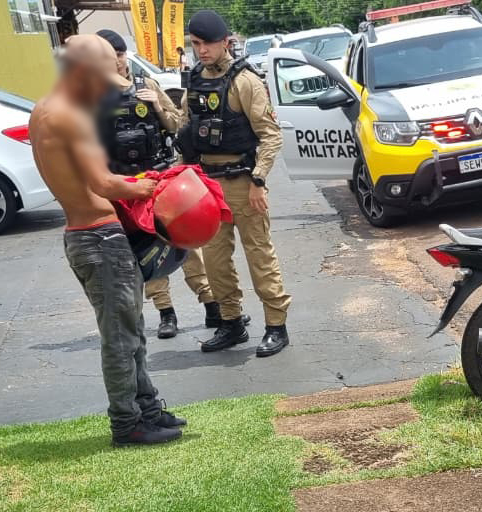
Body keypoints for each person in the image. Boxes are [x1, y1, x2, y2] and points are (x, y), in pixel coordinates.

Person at [29, 34, 184, 446]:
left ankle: (146, 409)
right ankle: (127, 423)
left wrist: (131, 185)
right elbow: (103, 183)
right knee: (121, 337)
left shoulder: (43, 111)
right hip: (100, 238)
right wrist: (148, 187)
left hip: (85, 235)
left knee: (129, 329)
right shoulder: (72, 116)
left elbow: (87, 180)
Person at [96, 29, 227, 339]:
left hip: (161, 177)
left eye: (117, 54)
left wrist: (156, 103)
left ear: (124, 55)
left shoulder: (147, 85)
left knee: (185, 242)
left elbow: (175, 124)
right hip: (129, 185)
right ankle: (166, 313)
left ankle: (211, 304)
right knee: (148, 250)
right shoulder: (96, 96)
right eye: (107, 56)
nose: (114, 61)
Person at [182, 10, 291, 357]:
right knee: (214, 260)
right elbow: (185, 124)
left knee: (259, 256)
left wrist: (258, 180)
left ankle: (276, 325)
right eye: (196, 44)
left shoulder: (245, 81)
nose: (201, 51)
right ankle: (231, 323)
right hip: (208, 186)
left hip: (244, 182)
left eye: (207, 44)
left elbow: (271, 136)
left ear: (225, 42)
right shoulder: (196, 80)